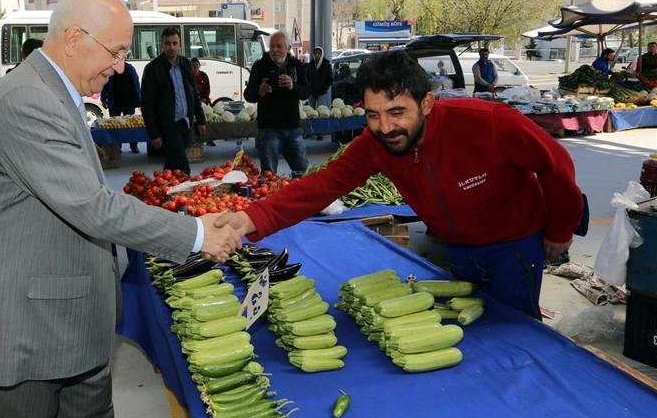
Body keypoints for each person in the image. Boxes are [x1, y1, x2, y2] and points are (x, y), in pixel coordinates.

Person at [0, 0, 241, 418]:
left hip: (75, 331)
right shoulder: (26, 100)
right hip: (18, 340)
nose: (119, 67)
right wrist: (196, 233)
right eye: (115, 53)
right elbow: (91, 206)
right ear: (74, 38)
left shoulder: (57, 93)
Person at [219, 50, 583, 320]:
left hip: (513, 245)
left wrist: (560, 228)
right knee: (473, 325)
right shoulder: (376, 144)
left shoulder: (487, 123)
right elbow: (321, 185)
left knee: (517, 329)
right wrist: (252, 219)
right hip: (456, 247)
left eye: (397, 113)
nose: (385, 127)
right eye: (373, 114)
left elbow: (556, 164)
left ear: (426, 103)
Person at [141, 27, 206, 175]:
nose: (172, 47)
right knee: (183, 167)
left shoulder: (186, 64)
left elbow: (194, 93)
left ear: (180, 44)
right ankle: (186, 195)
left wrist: (200, 119)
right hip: (168, 125)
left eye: (175, 43)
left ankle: (162, 188)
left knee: (172, 164)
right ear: (162, 44)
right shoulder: (152, 69)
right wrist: (154, 133)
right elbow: (147, 104)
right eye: (168, 43)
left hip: (185, 123)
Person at [244, 31, 310, 175]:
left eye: (279, 46)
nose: (274, 50)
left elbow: (306, 92)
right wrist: (259, 92)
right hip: (269, 130)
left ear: (287, 48)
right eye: (272, 46)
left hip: (293, 128)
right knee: (269, 175)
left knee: (303, 172)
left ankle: (301, 196)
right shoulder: (259, 66)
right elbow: (248, 95)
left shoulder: (297, 66)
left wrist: (293, 86)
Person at [101, 61, 142, 153]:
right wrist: (103, 98)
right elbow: (105, 84)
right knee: (116, 127)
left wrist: (139, 101)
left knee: (131, 126)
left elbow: (136, 84)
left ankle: (134, 146)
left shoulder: (130, 68)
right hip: (114, 103)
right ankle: (117, 147)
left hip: (129, 103)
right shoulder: (111, 69)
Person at [192, 57, 217, 147]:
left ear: (199, 66)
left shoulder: (203, 75)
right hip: (193, 102)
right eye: (193, 66)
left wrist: (204, 98)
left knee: (208, 119)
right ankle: (198, 139)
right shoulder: (189, 76)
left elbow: (207, 88)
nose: (195, 67)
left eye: (196, 65)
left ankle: (210, 139)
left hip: (204, 100)